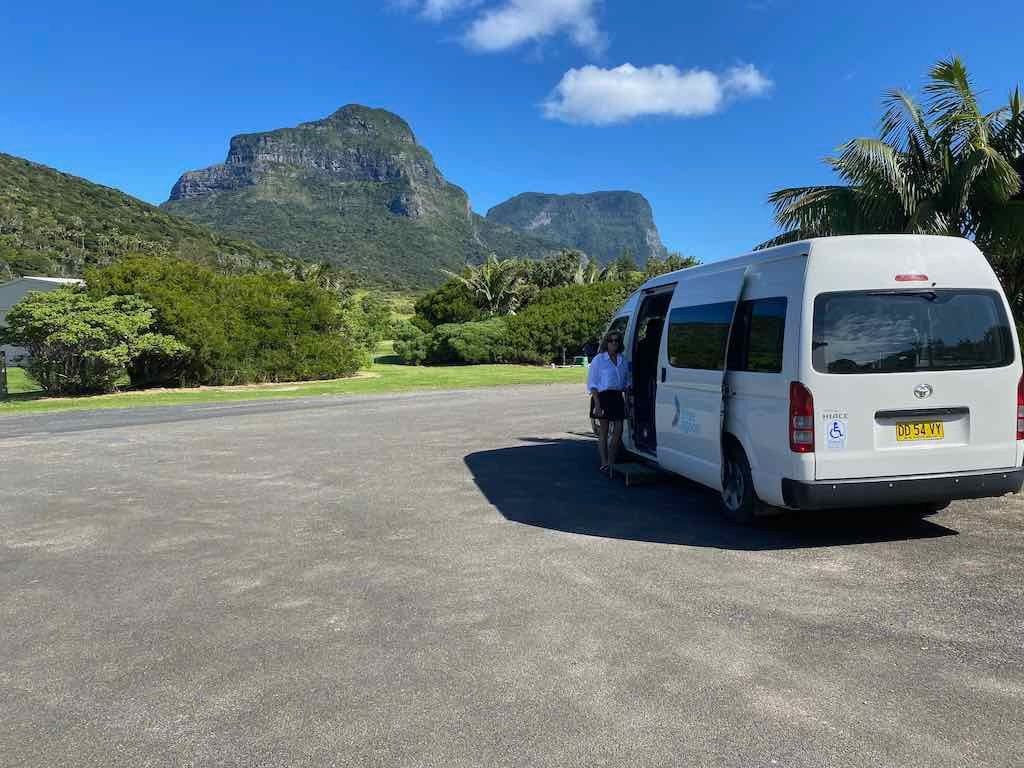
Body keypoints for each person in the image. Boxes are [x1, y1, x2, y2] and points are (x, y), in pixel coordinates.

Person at [587, 331, 630, 472]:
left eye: (617, 341)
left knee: (619, 430)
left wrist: (628, 399)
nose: (614, 343)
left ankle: (612, 461)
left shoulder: (622, 360)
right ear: (606, 343)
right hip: (602, 397)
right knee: (604, 431)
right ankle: (604, 462)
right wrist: (597, 405)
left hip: (617, 397)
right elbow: (592, 384)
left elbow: (627, 382)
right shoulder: (599, 360)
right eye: (611, 341)